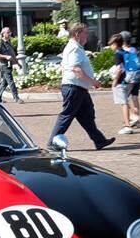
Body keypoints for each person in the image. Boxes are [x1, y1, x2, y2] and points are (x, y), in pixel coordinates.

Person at [48, 22, 114, 151]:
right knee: (67, 115)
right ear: (78, 34)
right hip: (74, 87)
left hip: (78, 87)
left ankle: (99, 141)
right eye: (85, 33)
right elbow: (76, 69)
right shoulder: (75, 48)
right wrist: (92, 82)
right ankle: (52, 143)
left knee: (86, 115)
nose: (87, 36)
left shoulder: (75, 47)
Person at [119, 31, 140, 128]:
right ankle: (137, 120)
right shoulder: (135, 50)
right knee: (135, 97)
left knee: (123, 99)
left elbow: (121, 66)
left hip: (129, 77)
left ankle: (132, 117)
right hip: (138, 75)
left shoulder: (122, 51)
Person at [108, 33, 133, 135]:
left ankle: (127, 126)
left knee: (123, 103)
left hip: (121, 82)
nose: (110, 46)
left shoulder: (117, 54)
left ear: (115, 44)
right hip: (129, 80)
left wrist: (114, 81)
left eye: (111, 44)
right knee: (125, 102)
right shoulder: (125, 52)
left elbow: (119, 69)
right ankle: (132, 119)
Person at [0, 28, 20, 103]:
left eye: (10, 32)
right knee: (11, 81)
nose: (9, 34)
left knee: (4, 83)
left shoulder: (9, 42)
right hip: (4, 65)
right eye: (8, 32)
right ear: (3, 34)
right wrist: (5, 57)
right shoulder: (0, 43)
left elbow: (12, 55)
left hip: (9, 65)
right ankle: (16, 98)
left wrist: (18, 63)